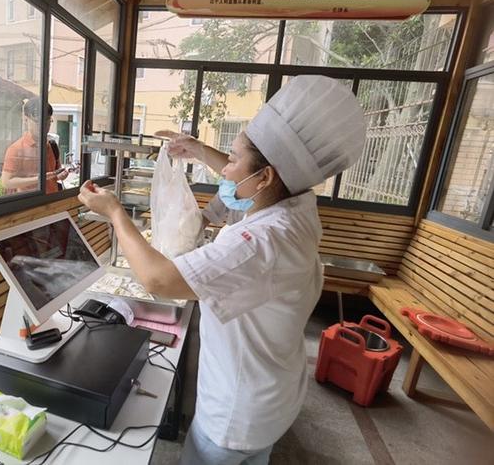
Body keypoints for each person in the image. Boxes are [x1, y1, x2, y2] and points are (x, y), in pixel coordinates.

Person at [77, 76, 367, 465]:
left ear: (264, 177)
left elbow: (159, 279)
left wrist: (115, 213)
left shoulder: (260, 242)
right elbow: (252, 175)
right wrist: (198, 151)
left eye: (230, 159)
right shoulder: (296, 204)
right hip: (273, 392)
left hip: (235, 414)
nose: (224, 170)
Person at [1, 98, 68, 195]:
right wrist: (38, 179)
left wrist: (61, 175)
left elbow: (55, 174)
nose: (44, 126)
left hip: (52, 203)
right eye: (38, 122)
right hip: (30, 204)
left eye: (48, 121)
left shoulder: (52, 145)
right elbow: (7, 182)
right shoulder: (16, 149)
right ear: (26, 120)